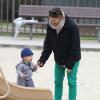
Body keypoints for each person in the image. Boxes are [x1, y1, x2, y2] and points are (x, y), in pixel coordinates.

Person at [37, 7, 81, 100]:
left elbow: (75, 48)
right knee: (57, 82)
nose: (52, 23)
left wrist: (70, 65)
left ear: (61, 18)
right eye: (51, 20)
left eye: (55, 21)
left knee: (71, 82)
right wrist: (42, 59)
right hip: (59, 59)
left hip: (72, 59)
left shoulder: (72, 27)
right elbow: (48, 44)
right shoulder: (50, 26)